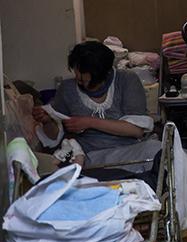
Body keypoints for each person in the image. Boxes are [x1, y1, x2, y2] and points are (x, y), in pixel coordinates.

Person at [32, 41, 159, 176]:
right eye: (78, 77)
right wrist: (47, 121)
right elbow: (54, 136)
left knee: (158, 150)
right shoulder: (67, 88)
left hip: (128, 151)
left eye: (86, 80)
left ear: (105, 74)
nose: (80, 82)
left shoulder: (126, 80)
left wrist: (89, 122)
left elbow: (136, 130)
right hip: (90, 158)